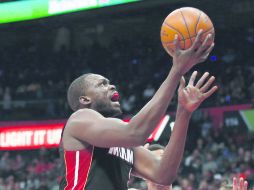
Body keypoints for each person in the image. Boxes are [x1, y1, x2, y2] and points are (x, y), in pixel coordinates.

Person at [59, 30, 217, 190]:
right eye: (102, 84)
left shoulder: (123, 141)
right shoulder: (79, 118)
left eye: (109, 82)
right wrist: (176, 71)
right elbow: (136, 133)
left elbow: (164, 174)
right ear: (85, 99)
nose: (111, 86)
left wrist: (183, 112)